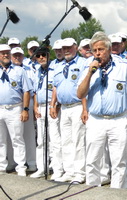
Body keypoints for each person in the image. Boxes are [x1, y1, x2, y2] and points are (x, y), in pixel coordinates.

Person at [77, 31, 127, 188]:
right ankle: (91, 192)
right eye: (95, 50)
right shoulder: (88, 66)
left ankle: (116, 193)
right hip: (96, 120)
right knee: (92, 160)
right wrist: (90, 73)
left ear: (109, 49)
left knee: (119, 161)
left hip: (118, 120)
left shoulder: (123, 65)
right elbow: (80, 94)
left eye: (101, 49)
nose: (98, 53)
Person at [50, 37, 87, 183]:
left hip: (77, 105)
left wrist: (85, 108)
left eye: (69, 47)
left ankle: (80, 173)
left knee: (78, 140)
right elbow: (55, 87)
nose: (66, 50)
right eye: (64, 48)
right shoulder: (58, 66)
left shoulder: (83, 63)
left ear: (76, 47)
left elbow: (85, 87)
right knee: (66, 141)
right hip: (63, 108)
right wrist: (53, 105)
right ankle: (69, 171)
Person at [30, 47, 64, 180]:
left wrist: (55, 106)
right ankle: (41, 168)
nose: (41, 58)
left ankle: (58, 169)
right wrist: (35, 107)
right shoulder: (37, 71)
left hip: (52, 106)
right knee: (41, 141)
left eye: (43, 55)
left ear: (48, 55)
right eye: (38, 56)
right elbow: (35, 91)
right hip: (40, 108)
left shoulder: (55, 69)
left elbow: (57, 89)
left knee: (55, 140)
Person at [0, 44, 33, 176]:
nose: (5, 55)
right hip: (0, 108)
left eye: (7, 52)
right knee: (1, 140)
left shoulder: (19, 71)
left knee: (17, 139)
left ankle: (20, 167)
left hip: (14, 108)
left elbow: (26, 91)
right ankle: (2, 166)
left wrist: (25, 109)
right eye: (2, 53)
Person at [10, 47, 37, 172]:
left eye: (19, 55)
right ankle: (12, 162)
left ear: (23, 56)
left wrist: (29, 108)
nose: (17, 57)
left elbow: (32, 90)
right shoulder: (7, 69)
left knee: (29, 135)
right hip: (13, 105)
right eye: (14, 55)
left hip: (28, 103)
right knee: (12, 137)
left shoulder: (29, 69)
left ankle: (31, 162)